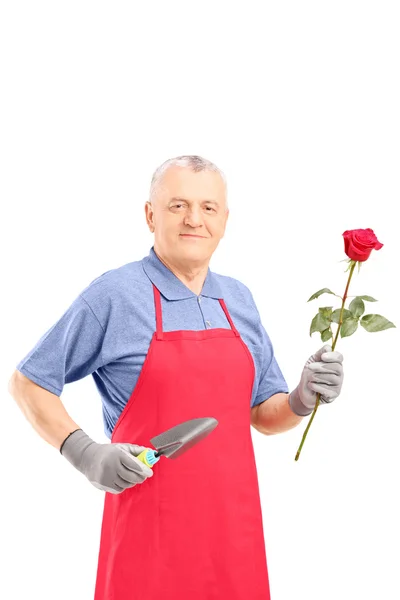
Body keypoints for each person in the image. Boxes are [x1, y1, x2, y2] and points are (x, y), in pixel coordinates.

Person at [8, 155, 344, 600]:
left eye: (208, 207)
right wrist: (85, 452)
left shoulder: (238, 298)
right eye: (177, 205)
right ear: (150, 215)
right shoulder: (114, 295)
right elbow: (29, 381)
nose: (194, 220)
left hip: (234, 535)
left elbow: (264, 414)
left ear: (225, 219)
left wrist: (303, 396)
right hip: (149, 530)